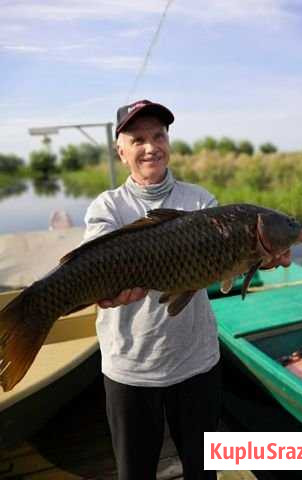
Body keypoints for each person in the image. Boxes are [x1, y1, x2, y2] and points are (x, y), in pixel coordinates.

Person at [82, 100, 221, 480]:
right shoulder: (106, 207)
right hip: (131, 368)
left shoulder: (201, 202)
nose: (150, 147)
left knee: (204, 471)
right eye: (138, 138)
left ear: (169, 142)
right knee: (135, 472)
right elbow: (94, 262)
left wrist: (259, 256)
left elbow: (224, 264)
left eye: (158, 135)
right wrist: (103, 291)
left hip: (196, 363)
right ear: (120, 150)